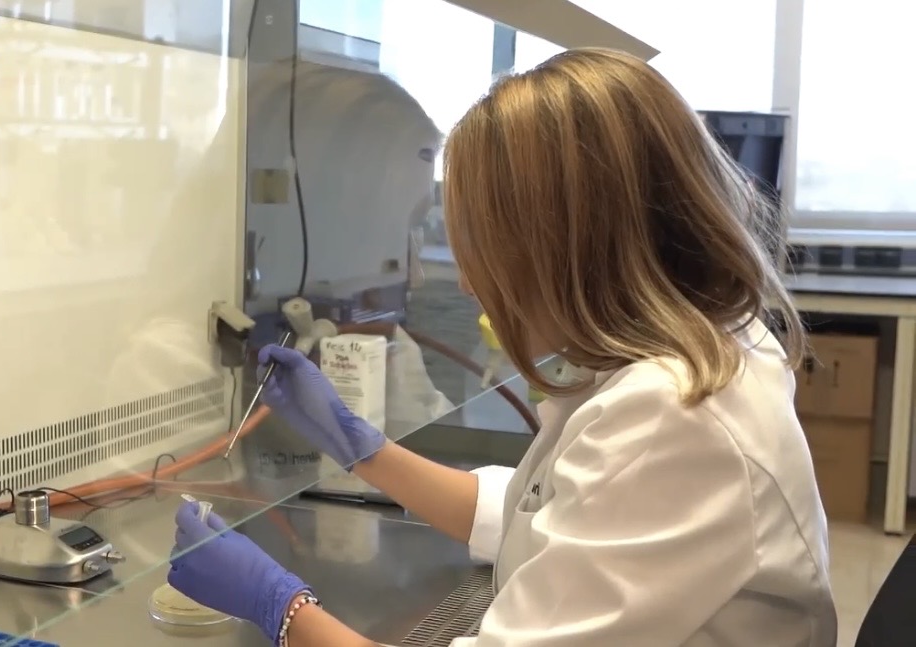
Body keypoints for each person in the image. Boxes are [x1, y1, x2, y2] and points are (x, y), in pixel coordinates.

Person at [167, 48, 836, 646]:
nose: (466, 281)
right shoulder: (702, 352)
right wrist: (360, 447)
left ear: (563, 247)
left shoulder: (676, 417)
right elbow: (531, 512)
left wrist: (280, 606)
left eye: (484, 248)